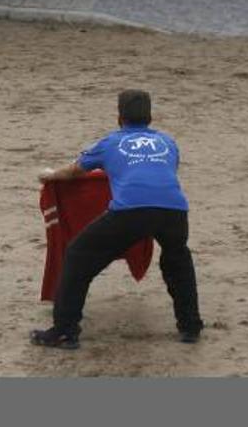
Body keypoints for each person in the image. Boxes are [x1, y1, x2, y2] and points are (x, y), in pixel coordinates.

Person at [32, 90, 203, 349]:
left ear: (119, 118)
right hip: (175, 211)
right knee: (177, 259)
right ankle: (190, 326)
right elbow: (163, 172)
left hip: (131, 211)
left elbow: (75, 171)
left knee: (78, 254)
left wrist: (51, 175)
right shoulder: (168, 142)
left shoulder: (110, 142)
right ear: (150, 117)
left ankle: (65, 330)